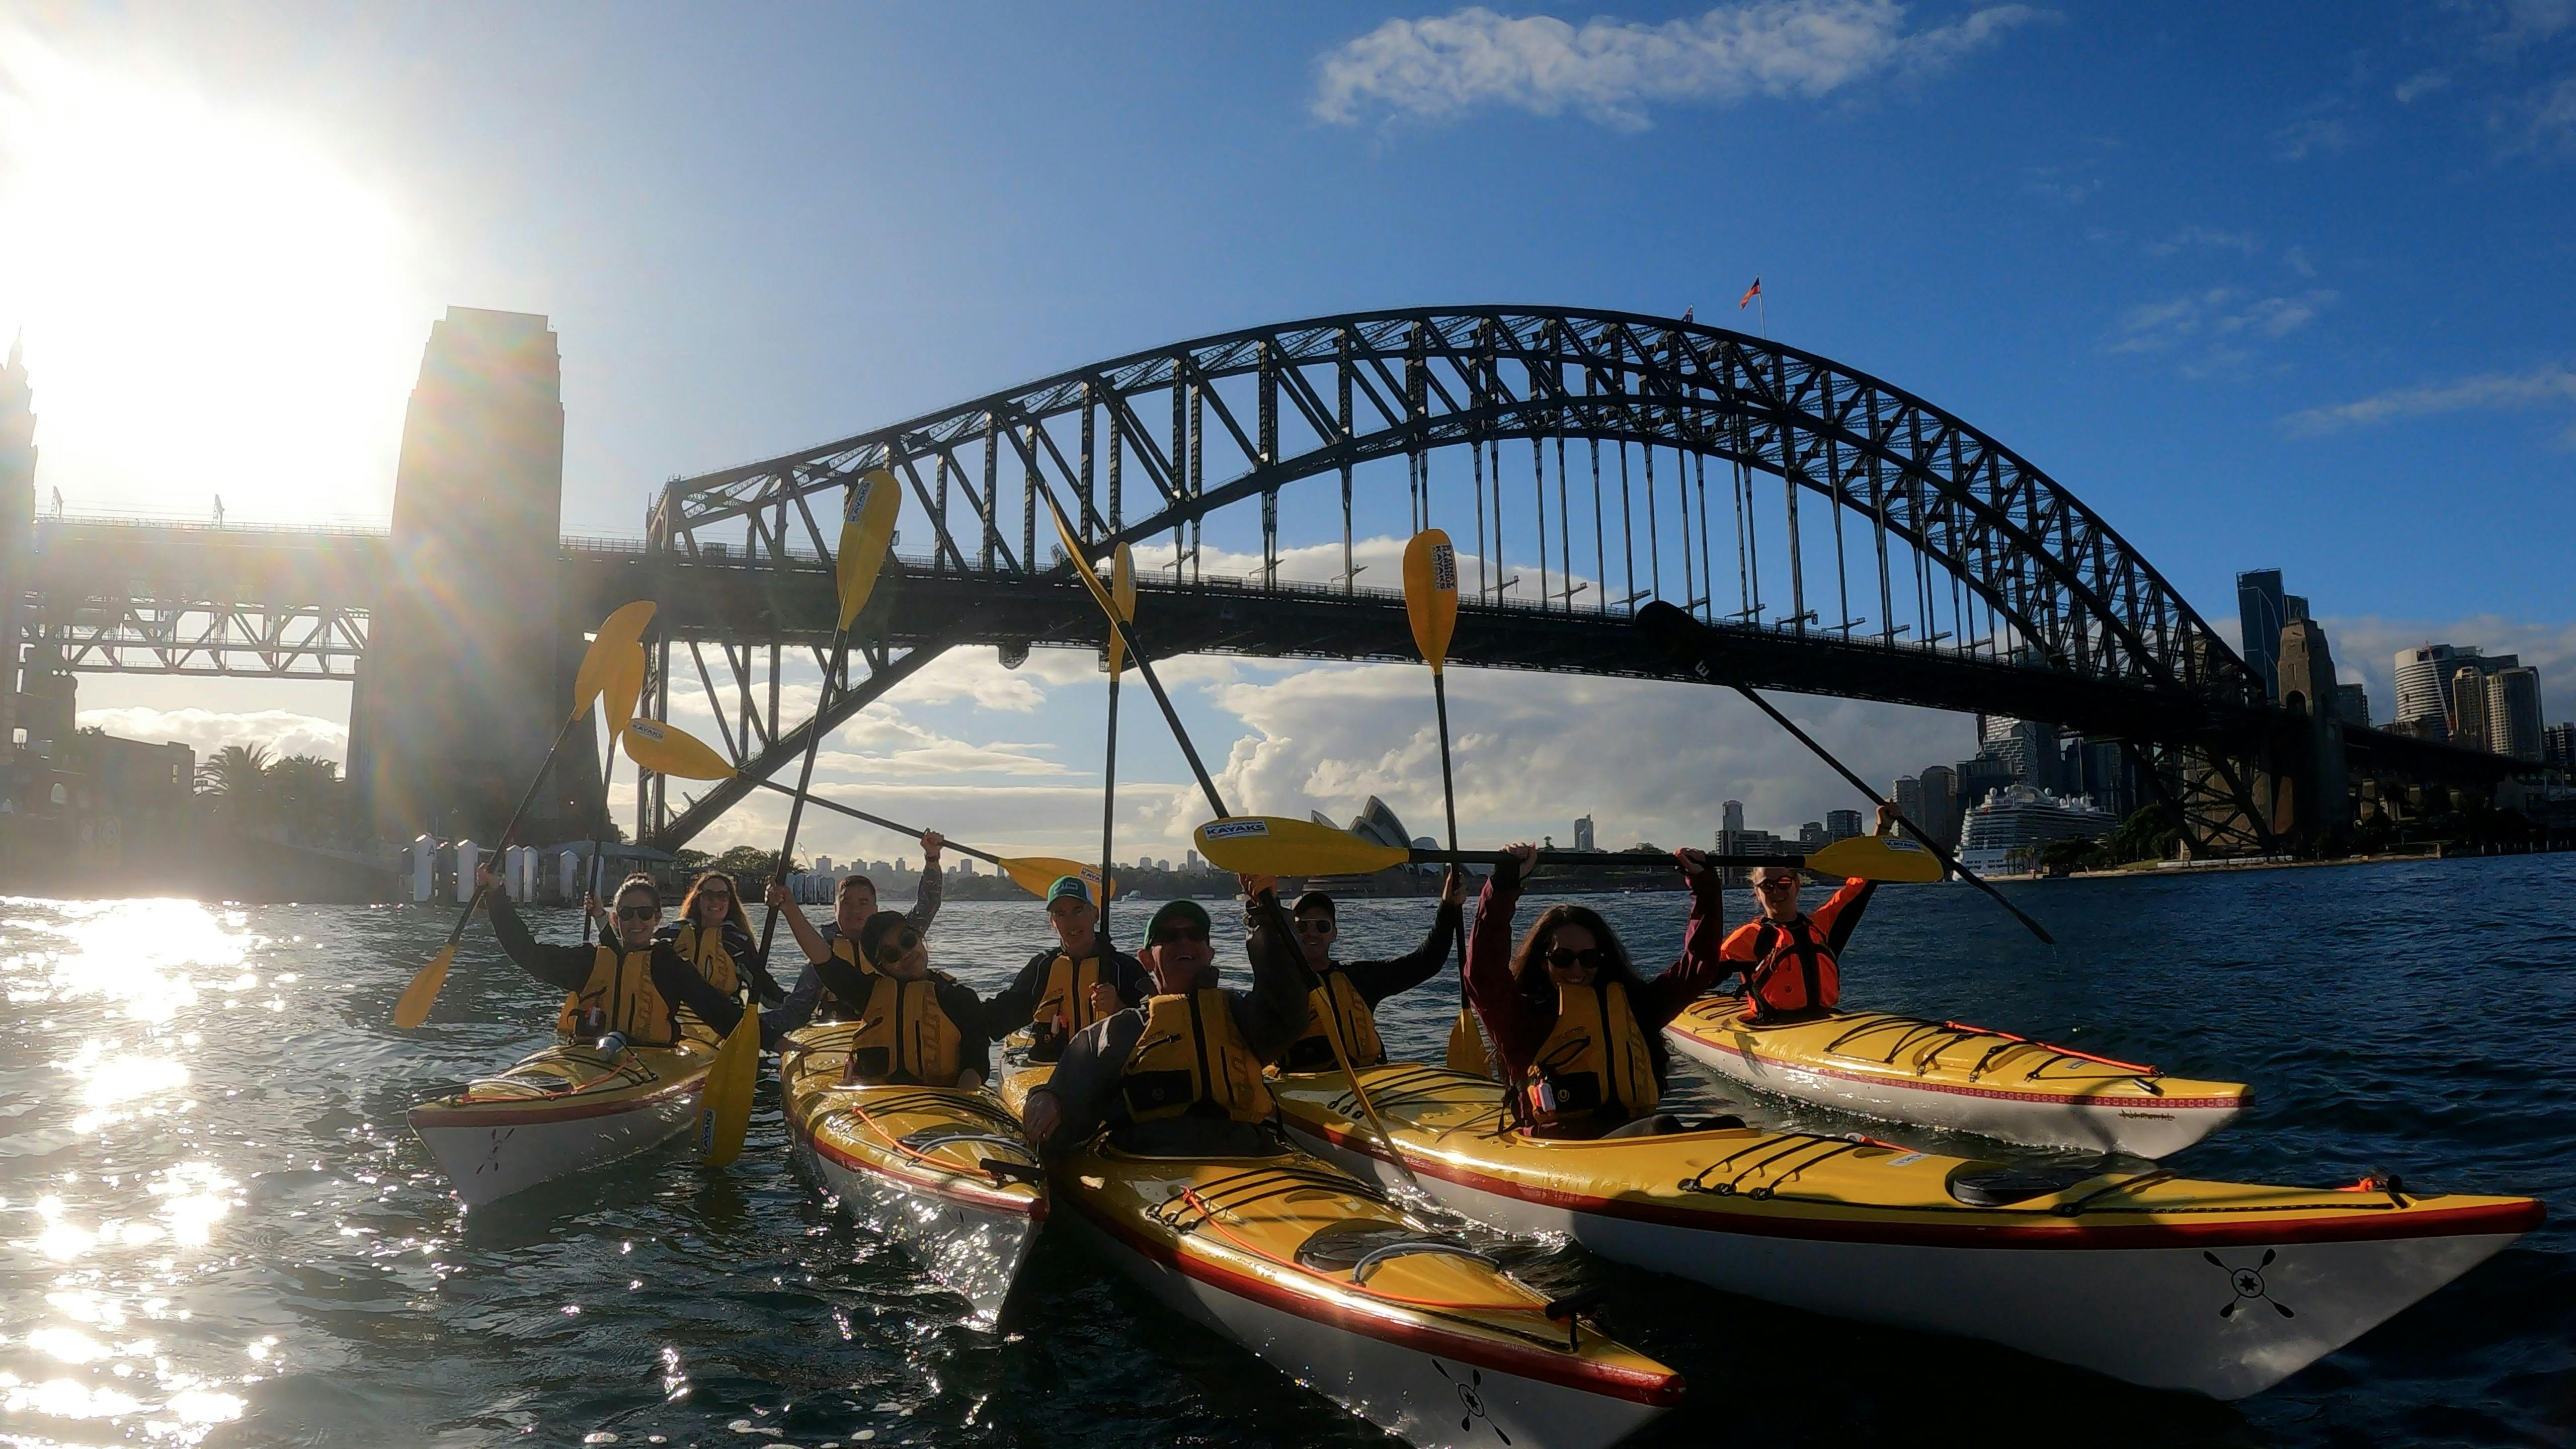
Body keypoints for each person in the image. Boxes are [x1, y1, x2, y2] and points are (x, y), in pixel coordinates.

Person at [1019, 883, 1311, 1161]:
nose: (1183, 941)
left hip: (1253, 1154)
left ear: (1209, 953)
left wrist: (1267, 916)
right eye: (1168, 937)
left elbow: (1286, 1001)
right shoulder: (1121, 1031)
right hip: (1152, 1161)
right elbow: (1070, 1089)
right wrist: (1048, 1097)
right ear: (1146, 960)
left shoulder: (1243, 1014)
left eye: (1195, 935)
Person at [1463, 843, 1729, 1139]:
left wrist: (1705, 884)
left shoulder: (1633, 1007)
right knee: (1662, 1126)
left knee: (1730, 1126)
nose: (1578, 970)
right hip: (1559, 1148)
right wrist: (1503, 886)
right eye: (1563, 958)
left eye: (1589, 959)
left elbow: (1697, 969)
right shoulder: (1522, 1021)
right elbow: (1483, 975)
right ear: (1542, 962)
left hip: (1634, 1141)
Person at [477, 865, 763, 1050]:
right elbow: (527, 953)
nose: (635, 921)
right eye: (627, 914)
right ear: (615, 919)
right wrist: (496, 895)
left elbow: (717, 1011)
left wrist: (772, 1041)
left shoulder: (669, 966)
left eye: (644, 914)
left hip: (653, 1060)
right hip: (586, 1059)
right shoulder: (588, 962)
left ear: (657, 919)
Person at [1718, 802, 1898, 1025]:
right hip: (1772, 1028)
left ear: (1797, 885)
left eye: (1784, 883)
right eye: (1767, 886)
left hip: (1823, 1024)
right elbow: (1700, 976)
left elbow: (1862, 883)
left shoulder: (1822, 925)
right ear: (1757, 893)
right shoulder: (1748, 938)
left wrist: (1883, 828)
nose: (1776, 891)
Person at [1273, 870, 1465, 1073]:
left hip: (1365, 1083)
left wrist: (1448, 908)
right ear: (1291, 933)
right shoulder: (1277, 983)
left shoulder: (1359, 979)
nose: (1312, 933)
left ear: (1334, 934)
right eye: (1302, 926)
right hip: (1303, 1088)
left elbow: (1425, 963)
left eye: (1322, 926)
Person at [763, 832, 945, 1032]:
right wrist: (753, 1026)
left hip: (891, 1032)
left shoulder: (901, 941)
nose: (855, 911)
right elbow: (796, 1012)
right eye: (846, 903)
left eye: (863, 903)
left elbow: (927, 904)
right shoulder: (824, 955)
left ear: (875, 910)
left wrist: (932, 858)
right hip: (834, 1040)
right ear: (835, 910)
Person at [800, 909, 991, 1089]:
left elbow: (976, 1063)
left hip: (944, 1100)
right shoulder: (868, 993)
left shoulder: (959, 997)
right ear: (881, 967)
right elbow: (824, 960)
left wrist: (960, 1106)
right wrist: (789, 907)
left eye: (907, 940)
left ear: (919, 937)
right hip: (876, 1102)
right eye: (891, 955)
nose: (905, 953)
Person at [982, 875, 1149, 1057]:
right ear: (1052, 922)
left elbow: (1156, 1030)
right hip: (1051, 1071)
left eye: (1078, 910)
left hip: (1112, 1072)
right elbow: (994, 1020)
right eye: (1060, 914)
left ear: (1095, 914)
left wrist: (1118, 1008)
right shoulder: (1041, 968)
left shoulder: (1126, 969)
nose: (1071, 922)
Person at [657, 870, 785, 1027]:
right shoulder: (671, 936)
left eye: (722, 896)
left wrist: (802, 1003)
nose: (715, 902)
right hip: (678, 1021)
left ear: (729, 902)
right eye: (709, 895)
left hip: (723, 1023)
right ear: (699, 899)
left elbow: (768, 992)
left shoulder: (738, 943)